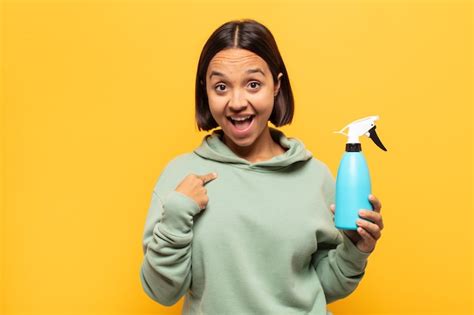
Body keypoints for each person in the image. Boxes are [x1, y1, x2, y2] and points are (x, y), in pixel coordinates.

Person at [139, 19, 384, 315]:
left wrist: (355, 251)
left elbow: (322, 286)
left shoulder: (315, 176)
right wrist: (177, 213)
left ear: (277, 85)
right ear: (205, 91)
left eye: (253, 84)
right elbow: (162, 292)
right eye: (221, 87)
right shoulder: (182, 176)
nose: (237, 102)